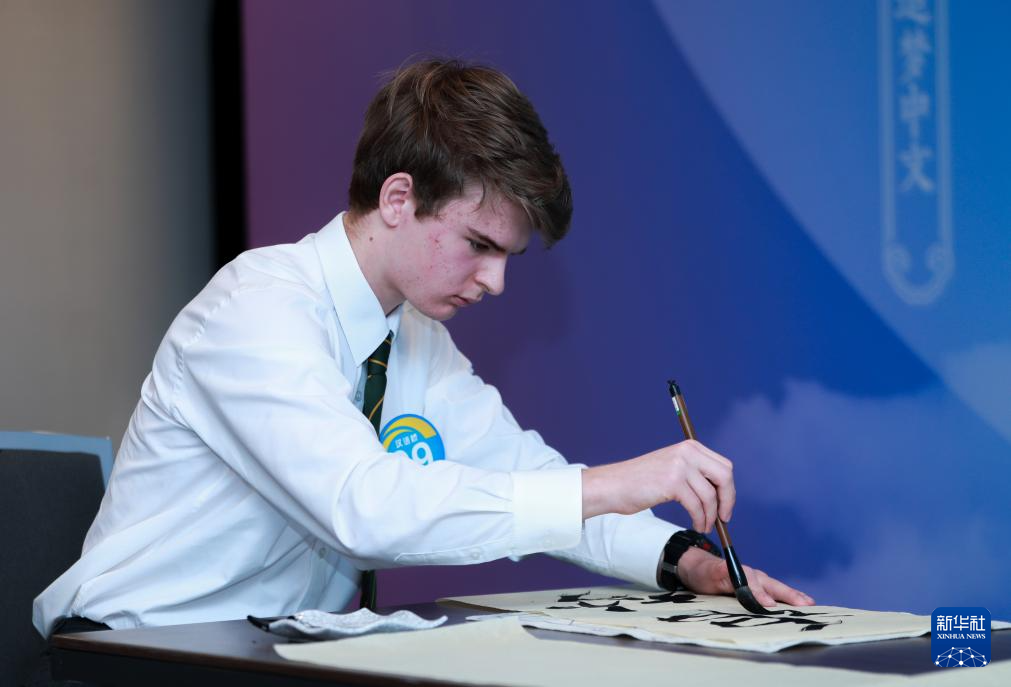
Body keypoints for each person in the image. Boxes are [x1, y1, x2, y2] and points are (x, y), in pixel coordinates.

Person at [34, 58, 812, 640]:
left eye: (507, 255)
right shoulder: (255, 310)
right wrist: (614, 481)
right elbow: (363, 508)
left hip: (268, 652)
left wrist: (682, 559)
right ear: (398, 198)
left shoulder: (414, 340)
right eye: (479, 244)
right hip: (131, 653)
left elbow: (526, 479)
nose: (496, 282)